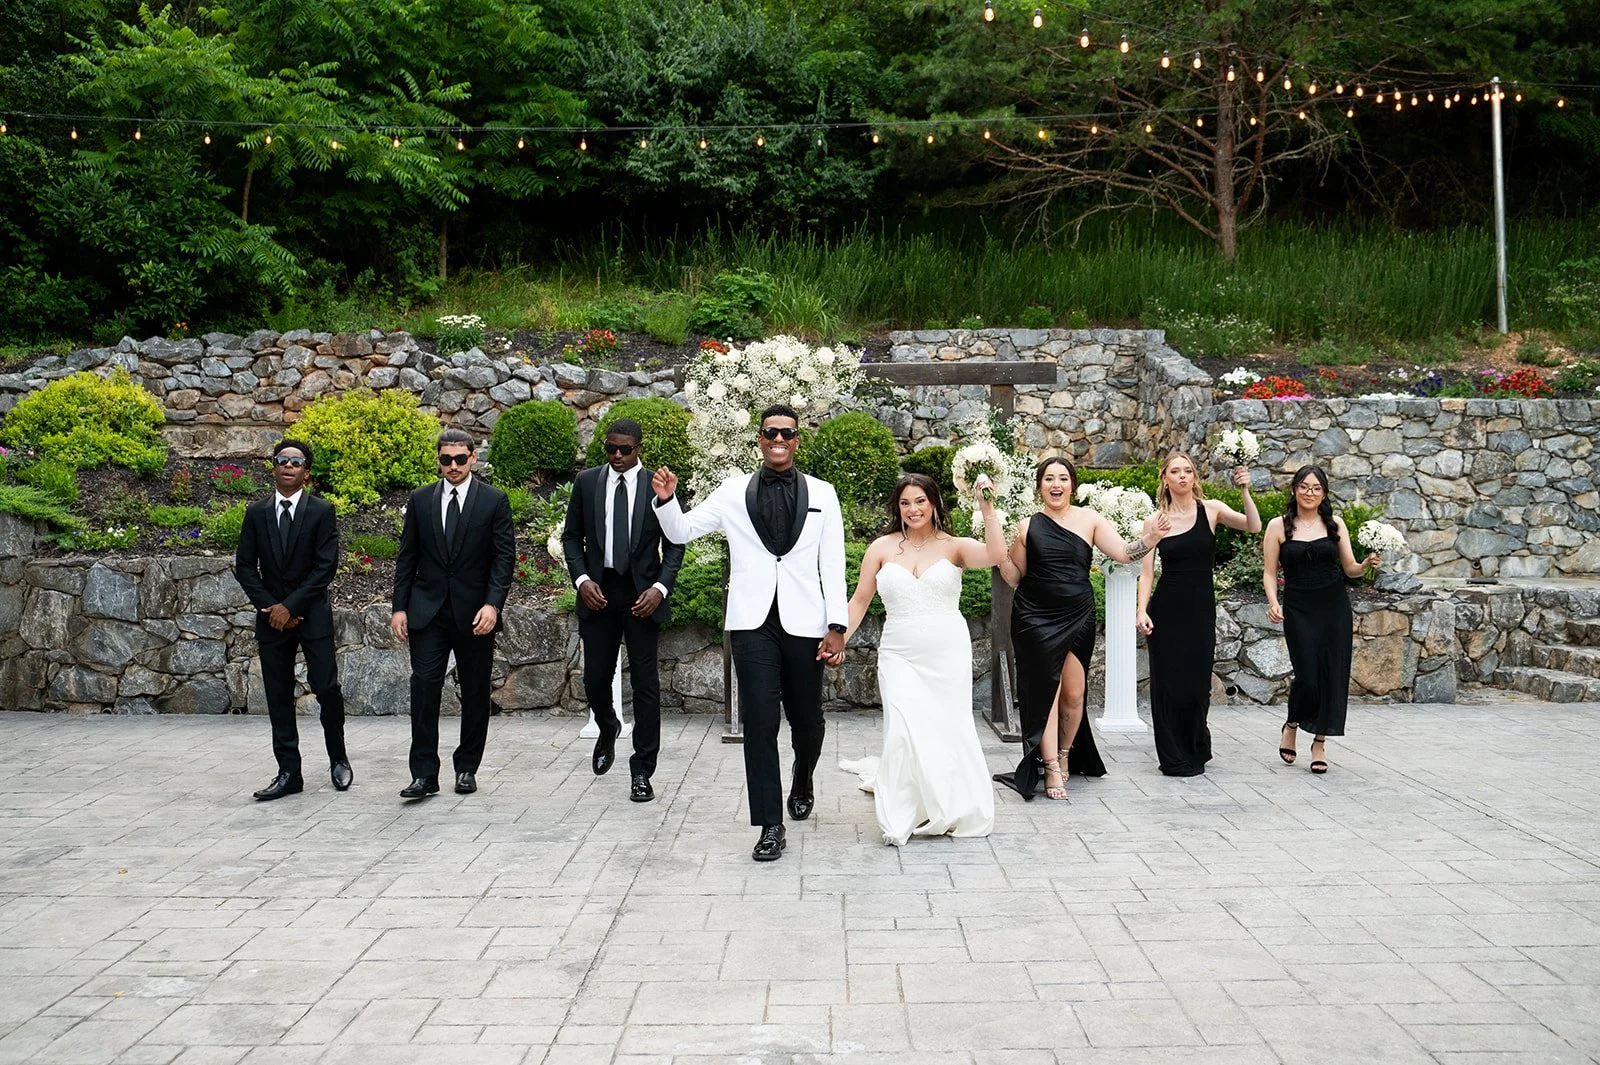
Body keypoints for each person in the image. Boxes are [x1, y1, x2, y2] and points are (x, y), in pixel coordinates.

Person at [650, 404, 848, 862]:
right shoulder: (732, 491)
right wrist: (666, 500)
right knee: (759, 723)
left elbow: (833, 566)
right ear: (759, 439)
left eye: (787, 433)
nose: (778, 439)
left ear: (798, 440)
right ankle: (770, 825)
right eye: (769, 432)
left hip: (805, 623)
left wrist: (836, 626)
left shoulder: (824, 493)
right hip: (751, 625)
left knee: (808, 722)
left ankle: (803, 775)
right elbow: (683, 530)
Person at [839, 472, 1005, 846]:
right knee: (901, 730)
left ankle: (947, 803)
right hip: (899, 653)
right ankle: (901, 814)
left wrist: (987, 507)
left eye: (920, 502)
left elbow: (996, 555)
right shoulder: (880, 548)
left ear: (933, 504)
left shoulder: (954, 546)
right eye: (905, 503)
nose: (913, 509)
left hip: (947, 651)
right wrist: (838, 641)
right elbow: (860, 601)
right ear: (897, 507)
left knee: (947, 727)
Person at [995, 457, 1168, 801]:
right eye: (1048, 479)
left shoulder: (1090, 519)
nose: (1056, 485)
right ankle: (1051, 767)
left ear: (1072, 484)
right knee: (1048, 693)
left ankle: (1063, 754)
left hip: (1076, 614)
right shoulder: (1027, 526)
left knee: (1074, 694)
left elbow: (1122, 552)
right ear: (1039, 485)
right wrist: (999, 552)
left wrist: (1150, 539)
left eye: (1062, 478)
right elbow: (1015, 577)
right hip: (1034, 617)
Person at [561, 418, 686, 802]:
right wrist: (582, 581)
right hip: (597, 593)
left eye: (625, 449)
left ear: (639, 447)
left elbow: (676, 542)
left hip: (641, 597)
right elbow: (571, 537)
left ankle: (642, 771)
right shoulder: (586, 483)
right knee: (595, 678)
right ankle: (608, 725)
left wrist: (660, 589)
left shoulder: (656, 486)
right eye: (611, 449)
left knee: (645, 686)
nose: (617, 456)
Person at [390, 429, 515, 799]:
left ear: (473, 458)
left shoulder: (493, 501)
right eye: (446, 459)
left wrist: (493, 604)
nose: (454, 466)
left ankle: (466, 768)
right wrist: (399, 607)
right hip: (427, 612)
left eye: (461, 459)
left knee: (476, 693)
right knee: (424, 689)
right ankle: (424, 774)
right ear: (438, 460)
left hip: (476, 613)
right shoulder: (421, 499)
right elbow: (406, 557)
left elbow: (503, 559)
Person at [233, 438, 349, 800]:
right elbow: (244, 567)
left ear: (306, 473)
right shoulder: (257, 513)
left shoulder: (321, 511)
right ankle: (289, 772)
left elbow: (325, 566)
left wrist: (293, 607)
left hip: (310, 615)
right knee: (278, 695)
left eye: (295, 462)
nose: (287, 466)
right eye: (282, 460)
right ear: (274, 467)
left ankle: (338, 757)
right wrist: (272, 607)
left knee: (326, 687)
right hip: (272, 619)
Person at [1135, 453, 1261, 777]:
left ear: (1194, 477)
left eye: (1187, 471)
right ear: (1164, 477)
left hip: (1200, 609)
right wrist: (1141, 611)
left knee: (1195, 686)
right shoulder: (1155, 521)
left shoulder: (1212, 510)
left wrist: (1245, 490)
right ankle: (1173, 756)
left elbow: (1253, 525)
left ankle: (1195, 746)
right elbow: (1146, 573)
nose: (1182, 476)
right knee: (1167, 685)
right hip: (1166, 610)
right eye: (1175, 471)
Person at [1262, 465, 1380, 774]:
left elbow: (1351, 569)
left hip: (1334, 607)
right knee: (1309, 676)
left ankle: (1319, 743)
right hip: (1299, 607)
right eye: (1304, 486)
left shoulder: (1335, 524)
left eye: (1316, 488)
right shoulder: (1278, 526)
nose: (1309, 492)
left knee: (1332, 675)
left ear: (1324, 493)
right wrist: (1274, 602)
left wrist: (1366, 564)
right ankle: (1292, 722)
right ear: (1294, 490)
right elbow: (1269, 572)